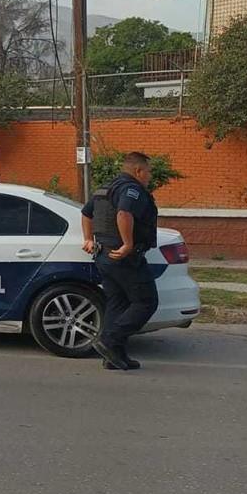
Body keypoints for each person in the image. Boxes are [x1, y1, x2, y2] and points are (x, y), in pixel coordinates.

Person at [80, 151, 159, 371]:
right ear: (138, 171)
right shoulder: (131, 189)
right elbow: (124, 213)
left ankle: (114, 356)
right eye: (149, 171)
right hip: (124, 258)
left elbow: (86, 213)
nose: (150, 176)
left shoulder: (105, 188)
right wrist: (127, 244)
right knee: (146, 302)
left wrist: (88, 239)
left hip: (104, 256)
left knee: (118, 304)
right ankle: (109, 340)